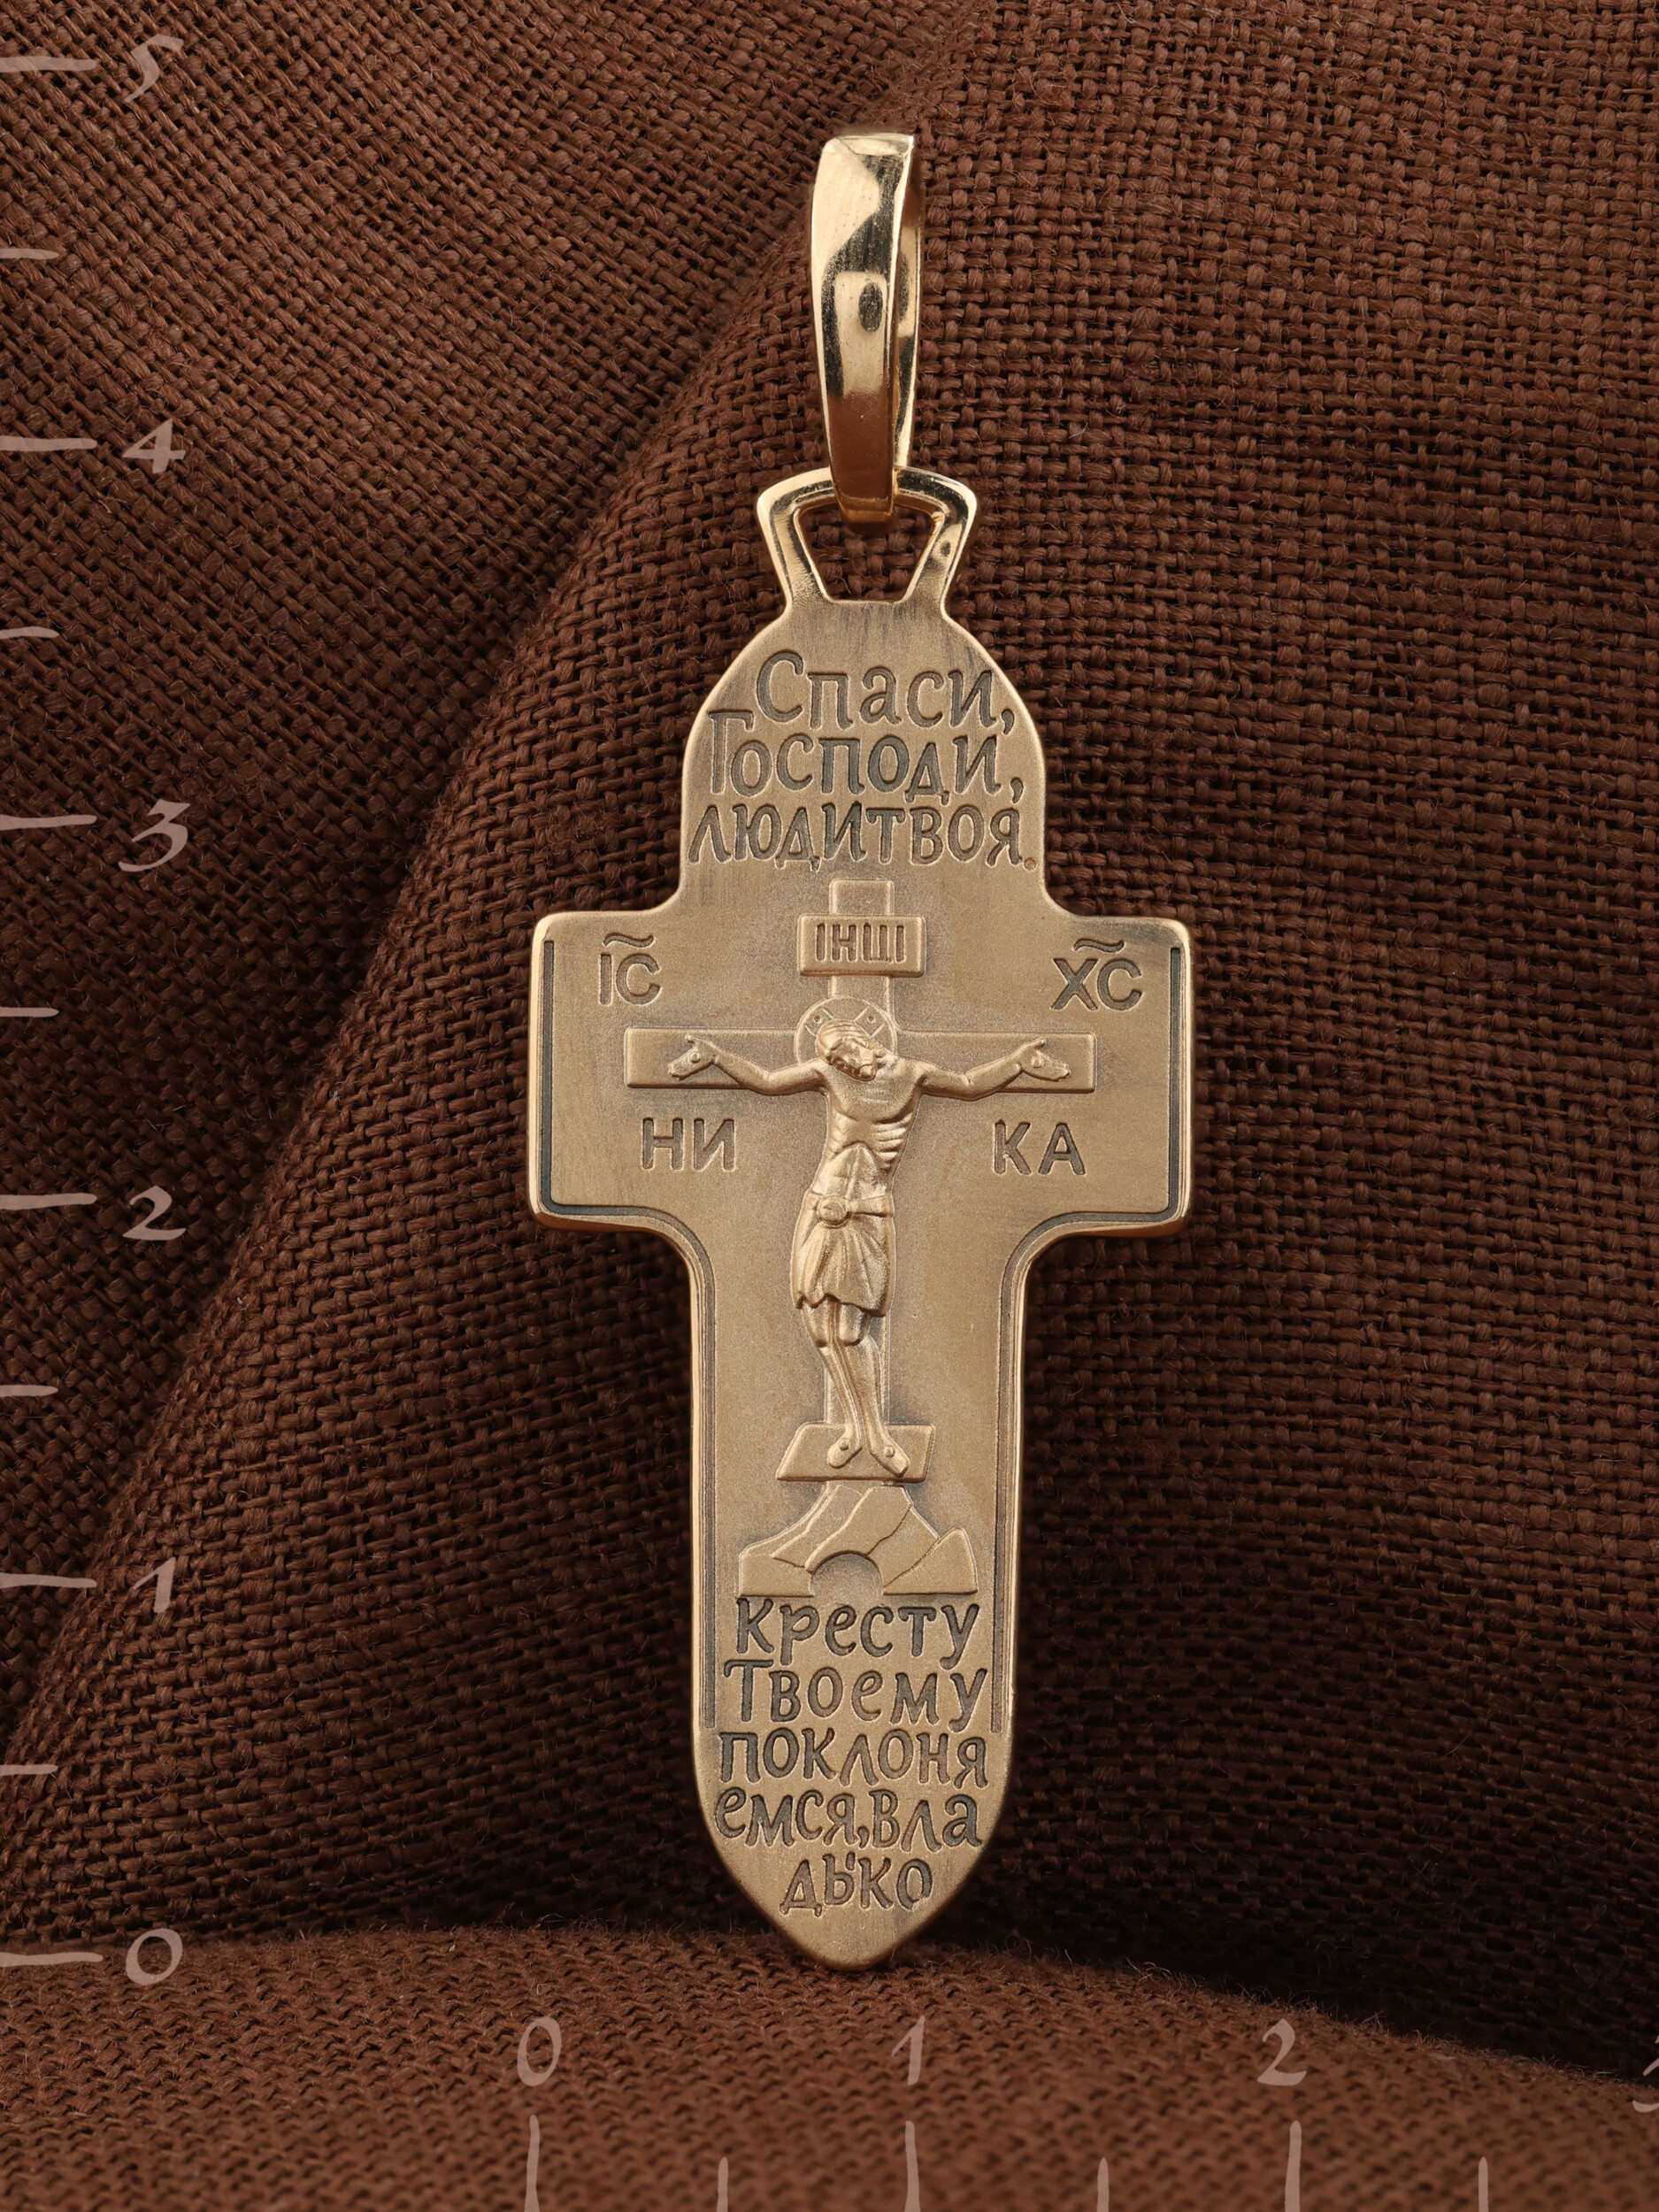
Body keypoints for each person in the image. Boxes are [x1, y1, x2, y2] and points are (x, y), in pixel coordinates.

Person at [670, 1012, 1066, 1474]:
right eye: (833, 1059)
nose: (841, 1063)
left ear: (861, 1040)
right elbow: (767, 1080)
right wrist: (716, 1057)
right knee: (821, 1331)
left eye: (843, 1052)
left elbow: (970, 1083)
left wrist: (1018, 1063)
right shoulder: (828, 1076)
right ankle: (854, 1430)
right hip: (820, 1208)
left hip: (866, 1212)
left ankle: (877, 1435)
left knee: (849, 1332)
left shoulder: (912, 1074)